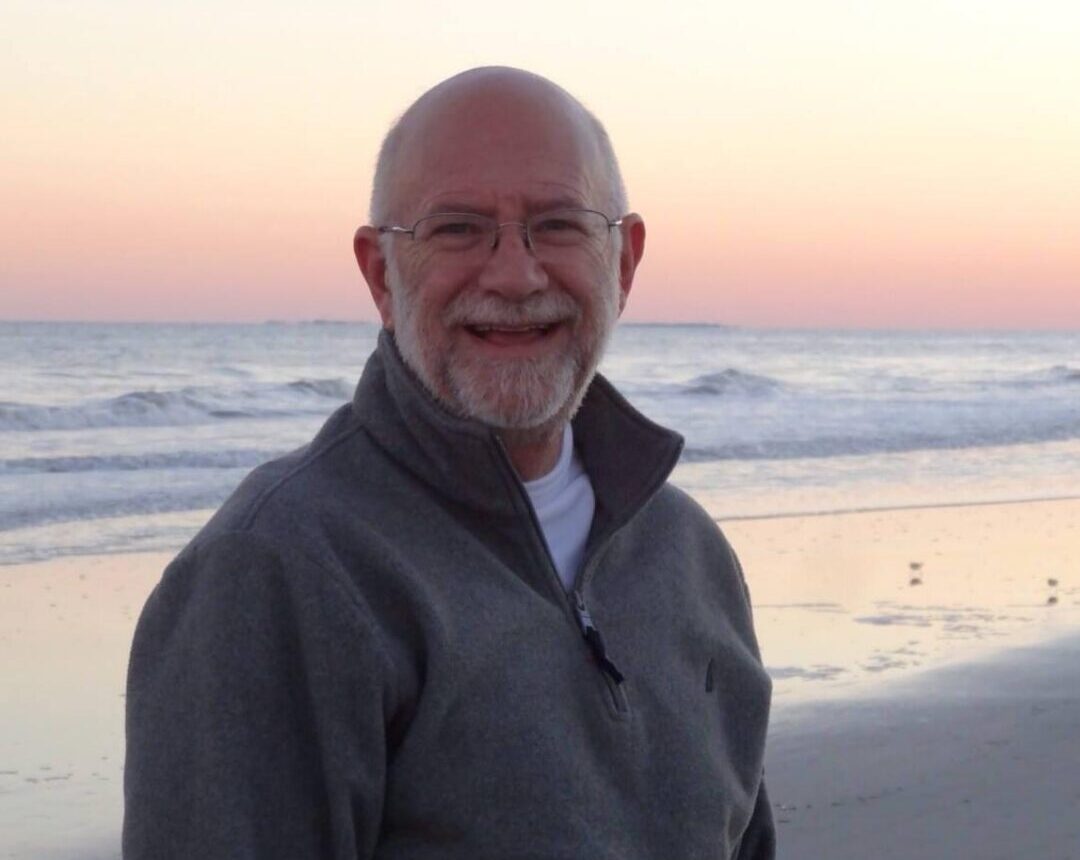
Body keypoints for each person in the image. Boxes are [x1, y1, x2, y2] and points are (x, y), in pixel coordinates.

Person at [123, 66, 775, 859]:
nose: (513, 274)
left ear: (625, 261)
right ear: (380, 277)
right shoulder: (279, 571)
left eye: (559, 224)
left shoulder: (687, 555)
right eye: (457, 228)